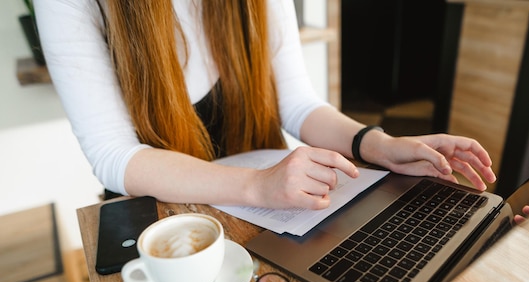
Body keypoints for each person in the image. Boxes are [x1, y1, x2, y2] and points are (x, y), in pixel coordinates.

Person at [34, 0, 496, 210]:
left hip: (261, 202)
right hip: (159, 211)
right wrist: (257, 187)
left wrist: (375, 144)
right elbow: (115, 156)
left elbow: (295, 102)